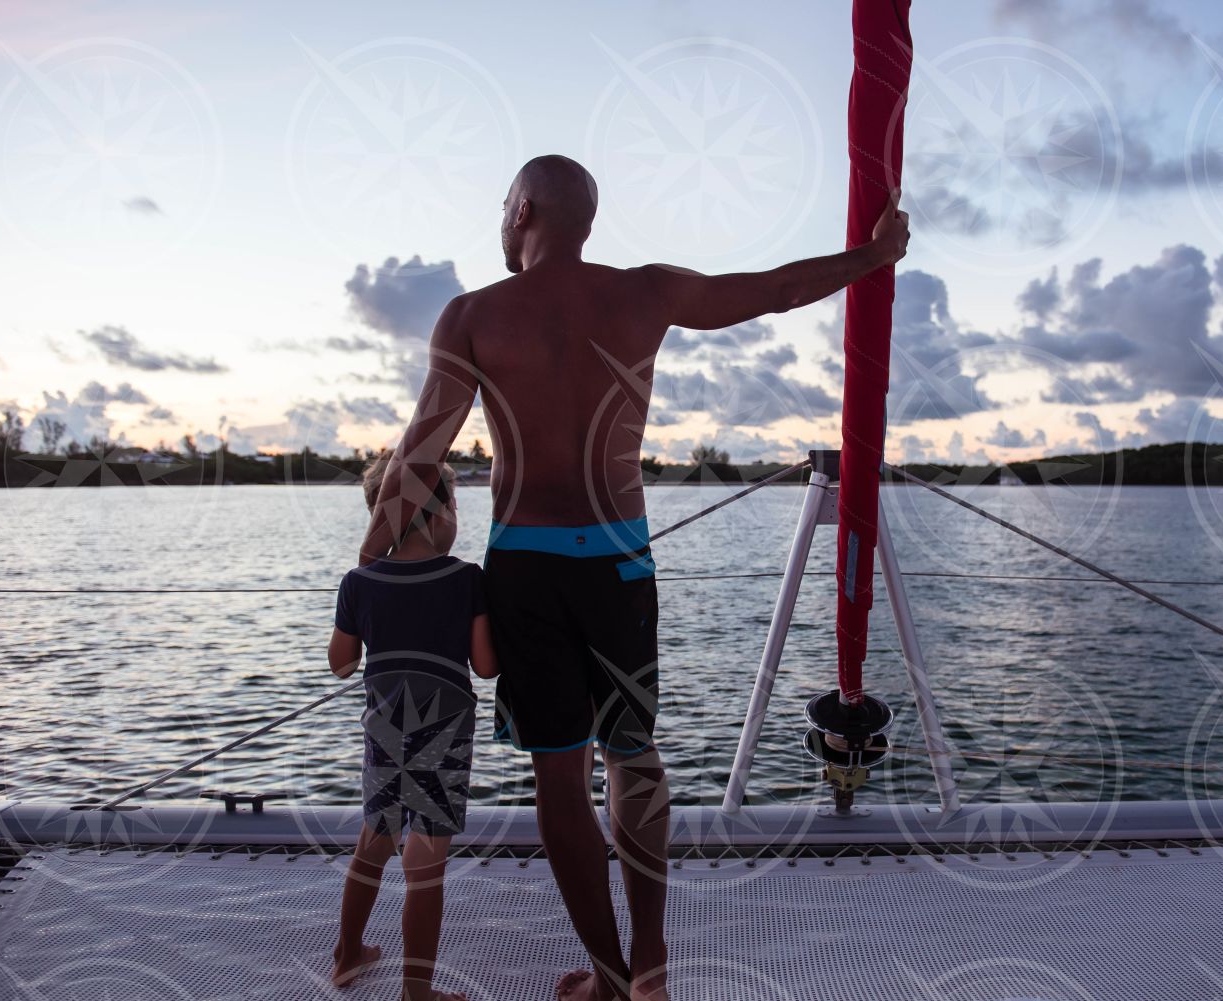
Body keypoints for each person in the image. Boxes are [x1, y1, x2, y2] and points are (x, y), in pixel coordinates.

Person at [360, 154, 910, 1001]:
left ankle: (611, 980)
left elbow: (420, 450)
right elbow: (771, 289)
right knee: (633, 756)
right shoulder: (645, 293)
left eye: (503, 202)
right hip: (619, 560)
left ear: (528, 209)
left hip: (526, 566)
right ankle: (653, 969)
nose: (500, 217)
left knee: (559, 776)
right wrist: (871, 258)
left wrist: (371, 558)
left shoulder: (470, 315)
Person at [331, 453, 498, 1001]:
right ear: (435, 513)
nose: (457, 517)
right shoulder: (465, 579)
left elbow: (341, 662)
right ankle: (417, 993)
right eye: (454, 505)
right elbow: (486, 665)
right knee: (425, 863)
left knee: (374, 839)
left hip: (384, 731)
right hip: (442, 735)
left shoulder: (358, 581)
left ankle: (348, 952)